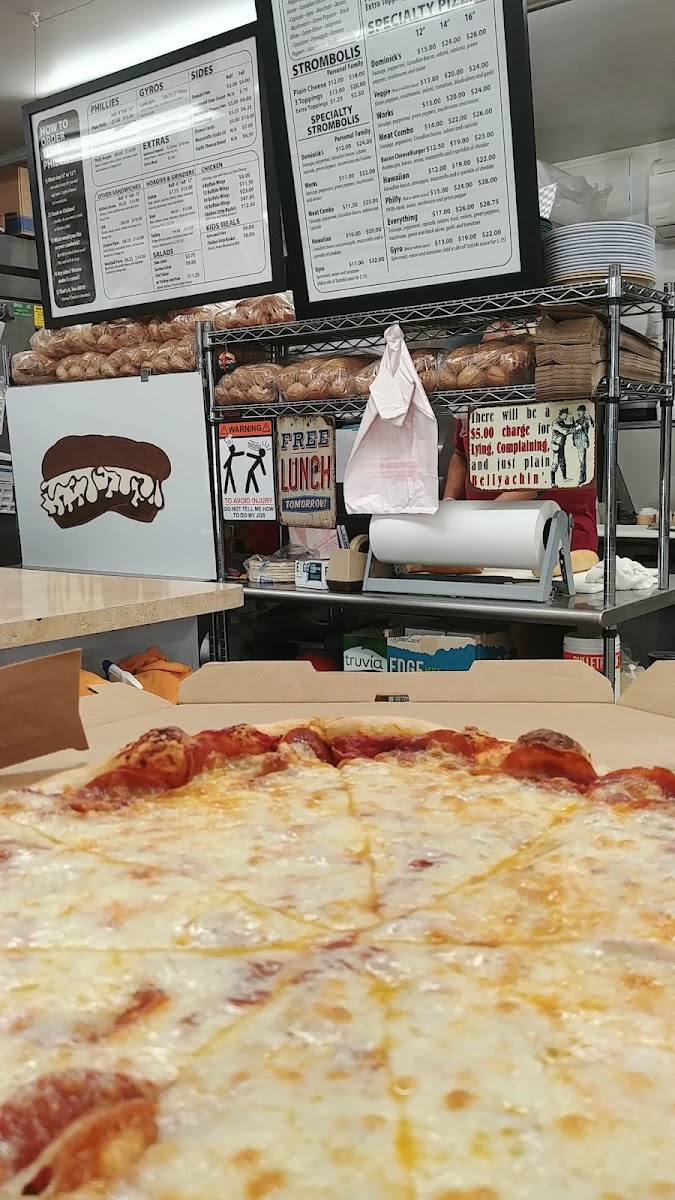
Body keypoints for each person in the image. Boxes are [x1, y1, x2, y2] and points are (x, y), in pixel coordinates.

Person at [443, 415, 598, 556]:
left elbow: (561, 461)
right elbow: (461, 454)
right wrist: (449, 502)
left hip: (558, 539)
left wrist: (489, 515)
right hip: (483, 539)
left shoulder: (557, 403)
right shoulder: (467, 402)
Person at [550, 407, 574, 486]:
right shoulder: (556, 422)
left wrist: (573, 424)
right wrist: (575, 429)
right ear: (562, 414)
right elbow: (565, 431)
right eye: (565, 414)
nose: (566, 416)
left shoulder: (561, 421)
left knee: (562, 462)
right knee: (555, 463)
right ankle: (553, 482)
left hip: (561, 445)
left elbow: (567, 427)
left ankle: (564, 478)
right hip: (556, 445)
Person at [573, 404, 594, 486]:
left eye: (580, 411)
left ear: (584, 412)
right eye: (578, 411)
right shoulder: (577, 421)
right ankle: (582, 477)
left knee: (582, 460)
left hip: (583, 441)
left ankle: (582, 478)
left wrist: (589, 417)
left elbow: (591, 425)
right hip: (578, 441)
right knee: (580, 460)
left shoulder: (586, 420)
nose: (579, 413)